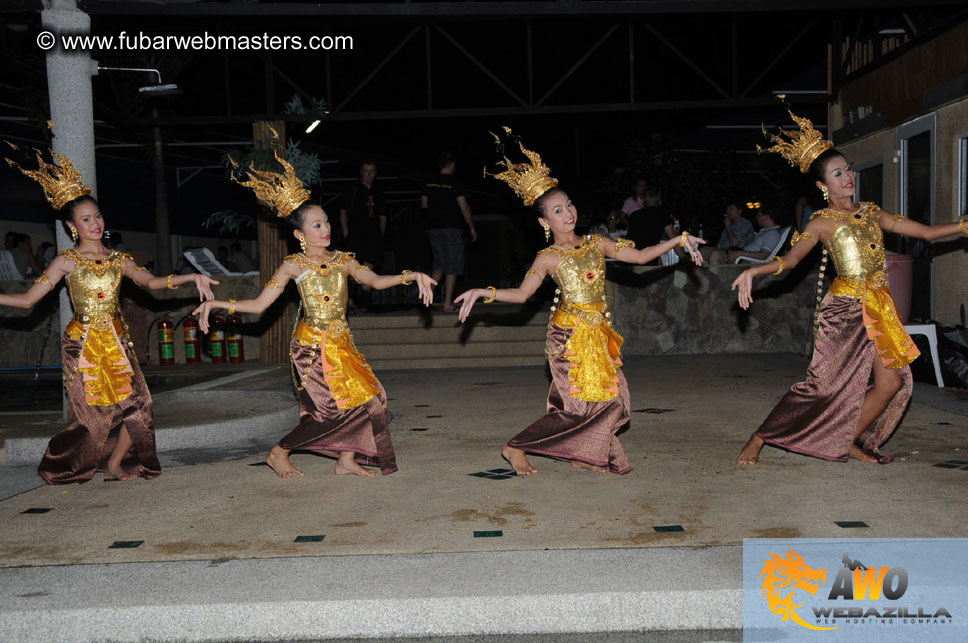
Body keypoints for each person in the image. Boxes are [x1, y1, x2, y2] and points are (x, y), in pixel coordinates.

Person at [455, 128, 704, 476]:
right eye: (558, 210)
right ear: (544, 221)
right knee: (574, 409)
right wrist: (485, 292)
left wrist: (678, 239)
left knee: (611, 401)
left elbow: (640, 256)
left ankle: (581, 454)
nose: (568, 212)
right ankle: (515, 447)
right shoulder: (548, 257)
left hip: (598, 334)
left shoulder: (596, 242)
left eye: (569, 204)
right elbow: (523, 294)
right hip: (567, 339)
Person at [732, 101, 968, 465]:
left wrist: (963, 225)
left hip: (879, 305)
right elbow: (791, 260)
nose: (848, 178)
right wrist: (753, 271)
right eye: (838, 173)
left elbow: (925, 233)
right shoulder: (820, 223)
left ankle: (849, 440)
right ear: (823, 185)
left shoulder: (871, 212)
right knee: (820, 386)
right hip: (843, 311)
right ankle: (760, 436)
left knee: (891, 383)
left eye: (848, 170)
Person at [195, 152, 436, 478]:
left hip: (341, 344)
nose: (326, 229)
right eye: (317, 225)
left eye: (327, 222)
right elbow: (260, 304)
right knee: (327, 413)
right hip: (310, 348)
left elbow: (375, 281)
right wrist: (217, 305)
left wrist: (411, 275)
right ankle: (279, 452)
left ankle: (346, 460)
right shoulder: (293, 265)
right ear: (299, 234)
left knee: (371, 398)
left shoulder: (343, 259)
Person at [1, 145, 217, 483]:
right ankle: (61, 461)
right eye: (86, 219)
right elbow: (29, 300)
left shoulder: (119, 259)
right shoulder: (66, 261)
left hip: (117, 341)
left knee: (140, 405)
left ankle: (115, 463)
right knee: (91, 419)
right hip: (82, 344)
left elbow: (151, 282)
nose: (95, 223)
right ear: (72, 226)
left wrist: (191, 277)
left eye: (98, 216)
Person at [422, 151, 477, 312]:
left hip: (433, 228)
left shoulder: (428, 182)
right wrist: (471, 227)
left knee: (439, 264)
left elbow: (424, 206)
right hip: (451, 228)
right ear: (452, 164)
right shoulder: (455, 183)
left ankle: (426, 299)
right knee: (452, 265)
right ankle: (447, 303)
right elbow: (464, 207)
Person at [340, 161, 387, 309]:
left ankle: (365, 303)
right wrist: (346, 233)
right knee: (354, 270)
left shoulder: (379, 192)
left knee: (368, 270)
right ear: (361, 172)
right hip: (355, 236)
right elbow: (343, 211)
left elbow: (383, 216)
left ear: (375, 173)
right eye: (366, 171)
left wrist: (380, 236)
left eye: (371, 171)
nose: (369, 174)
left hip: (373, 237)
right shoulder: (353, 189)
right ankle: (350, 301)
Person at [707, 208, 782, 265]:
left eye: (759, 215)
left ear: (765, 217)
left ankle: (716, 280)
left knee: (715, 254)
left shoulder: (773, 234)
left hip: (746, 261)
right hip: (740, 254)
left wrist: (740, 253)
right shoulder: (764, 232)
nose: (756, 218)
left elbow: (764, 255)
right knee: (704, 252)